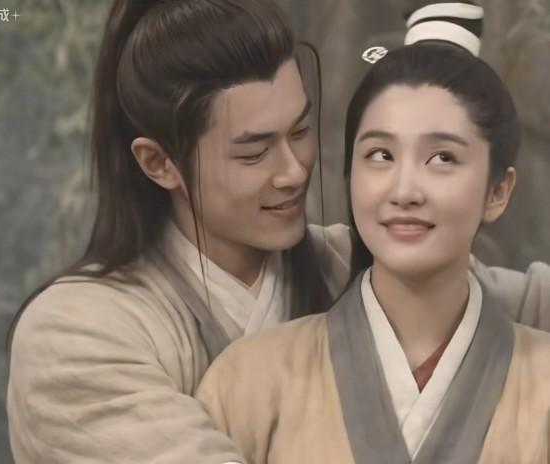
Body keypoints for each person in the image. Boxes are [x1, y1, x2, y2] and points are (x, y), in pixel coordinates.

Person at [7, 0, 550, 462]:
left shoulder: (349, 261)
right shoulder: (77, 335)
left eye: (301, 131)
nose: (293, 171)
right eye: (254, 151)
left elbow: (510, 300)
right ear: (159, 162)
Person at [196, 4, 550, 464]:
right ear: (350, 174)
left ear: (498, 191)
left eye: (442, 158)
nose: (404, 191)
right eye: (380, 155)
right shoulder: (249, 381)